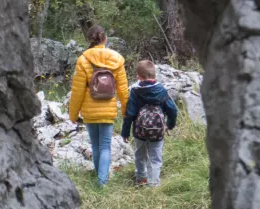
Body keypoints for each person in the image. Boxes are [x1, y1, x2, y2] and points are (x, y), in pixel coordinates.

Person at [69, 25, 129, 186]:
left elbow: (77, 91)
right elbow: (123, 90)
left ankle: (99, 178)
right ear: (105, 38)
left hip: (89, 110)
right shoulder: (116, 59)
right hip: (108, 109)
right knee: (105, 146)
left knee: (95, 146)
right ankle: (102, 182)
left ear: (89, 39)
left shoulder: (83, 60)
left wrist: (73, 115)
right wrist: (126, 111)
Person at [121, 60, 178, 187]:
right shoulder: (162, 90)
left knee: (140, 155)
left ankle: (141, 179)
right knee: (155, 157)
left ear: (138, 77)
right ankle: (153, 183)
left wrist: (125, 132)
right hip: (158, 131)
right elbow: (173, 110)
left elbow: (129, 114)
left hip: (139, 131)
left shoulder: (135, 91)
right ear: (155, 75)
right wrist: (169, 125)